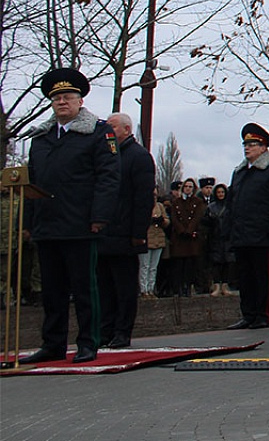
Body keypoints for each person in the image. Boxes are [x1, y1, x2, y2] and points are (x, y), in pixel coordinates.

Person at [20, 68, 119, 365]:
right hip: (47, 224)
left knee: (84, 288)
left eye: (68, 97)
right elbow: (31, 182)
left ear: (80, 101)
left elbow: (109, 178)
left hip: (80, 223)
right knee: (51, 290)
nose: (62, 102)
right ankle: (53, 343)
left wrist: (99, 216)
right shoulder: (41, 138)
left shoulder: (99, 133)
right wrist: (27, 223)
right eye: (57, 98)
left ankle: (88, 342)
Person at [96, 112, 155, 349]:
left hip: (125, 234)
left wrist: (138, 233)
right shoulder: (105, 155)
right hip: (103, 231)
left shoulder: (139, 157)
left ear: (127, 129)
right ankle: (104, 330)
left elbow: (143, 199)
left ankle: (122, 331)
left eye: (112, 127)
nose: (107, 132)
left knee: (125, 287)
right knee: (104, 287)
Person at [226, 123, 269, 330]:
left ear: (263, 147)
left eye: (252, 144)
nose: (247, 148)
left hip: (262, 233)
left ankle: (263, 314)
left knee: (263, 277)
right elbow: (233, 202)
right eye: (245, 144)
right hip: (242, 234)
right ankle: (248, 314)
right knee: (245, 277)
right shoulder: (240, 172)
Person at [167, 178, 205, 297]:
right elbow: (174, 218)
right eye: (186, 186)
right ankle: (178, 287)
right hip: (179, 237)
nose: (188, 188)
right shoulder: (176, 202)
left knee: (189, 264)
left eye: (190, 187)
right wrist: (181, 230)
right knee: (178, 265)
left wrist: (189, 230)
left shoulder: (197, 202)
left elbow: (197, 218)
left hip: (191, 237)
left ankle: (187, 287)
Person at [203, 183, 235, 296]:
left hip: (227, 238)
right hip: (215, 237)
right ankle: (216, 285)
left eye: (222, 192)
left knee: (227, 262)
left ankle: (225, 286)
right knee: (216, 263)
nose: (220, 194)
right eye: (218, 192)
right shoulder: (211, 207)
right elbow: (204, 222)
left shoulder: (230, 206)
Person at [139, 190, 168, 297]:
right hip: (146, 239)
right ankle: (143, 289)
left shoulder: (160, 206)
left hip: (158, 240)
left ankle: (151, 288)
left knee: (153, 267)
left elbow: (167, 221)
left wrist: (162, 221)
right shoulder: (142, 206)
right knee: (144, 266)